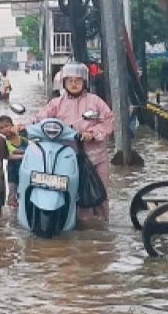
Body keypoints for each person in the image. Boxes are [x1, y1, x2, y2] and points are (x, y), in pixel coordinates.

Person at [37, 62, 114, 222]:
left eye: (78, 80)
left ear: (84, 82)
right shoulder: (56, 103)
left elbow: (109, 121)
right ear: (64, 83)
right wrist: (22, 127)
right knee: (71, 195)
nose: (74, 84)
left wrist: (91, 133)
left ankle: (102, 230)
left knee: (101, 194)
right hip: (66, 157)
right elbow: (39, 120)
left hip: (96, 157)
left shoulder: (96, 101)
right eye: (70, 80)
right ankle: (78, 227)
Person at [0, 115, 27, 209]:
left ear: (12, 125)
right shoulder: (4, 142)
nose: (5, 129)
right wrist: (24, 155)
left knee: (25, 189)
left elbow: (31, 141)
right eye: (1, 128)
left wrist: (19, 131)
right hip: (13, 170)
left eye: (7, 126)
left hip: (26, 168)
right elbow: (9, 155)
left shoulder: (22, 135)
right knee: (12, 190)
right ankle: (12, 213)